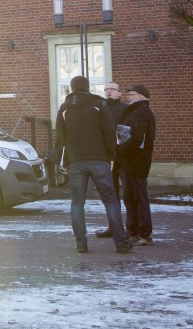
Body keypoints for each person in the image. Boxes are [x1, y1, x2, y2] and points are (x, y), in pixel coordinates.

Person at [51, 75, 131, 254]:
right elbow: (109, 131)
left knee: (77, 203)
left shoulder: (64, 108)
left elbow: (60, 138)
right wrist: (111, 156)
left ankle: (81, 244)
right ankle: (120, 243)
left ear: (72, 89)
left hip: (75, 162)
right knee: (110, 200)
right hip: (99, 159)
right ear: (88, 88)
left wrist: (61, 160)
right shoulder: (99, 104)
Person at [117, 84, 157, 246]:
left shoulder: (140, 113)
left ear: (140, 96)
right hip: (132, 161)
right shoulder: (138, 112)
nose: (129, 97)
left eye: (132, 94)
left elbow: (136, 139)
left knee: (139, 198)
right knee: (130, 198)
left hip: (136, 161)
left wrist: (119, 150)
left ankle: (144, 233)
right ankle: (133, 231)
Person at [96, 82, 127, 238]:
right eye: (106, 89)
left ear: (119, 93)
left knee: (129, 192)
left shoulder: (125, 110)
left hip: (123, 155)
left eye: (112, 89)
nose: (108, 92)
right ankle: (113, 226)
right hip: (108, 156)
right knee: (111, 192)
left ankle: (131, 227)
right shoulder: (101, 109)